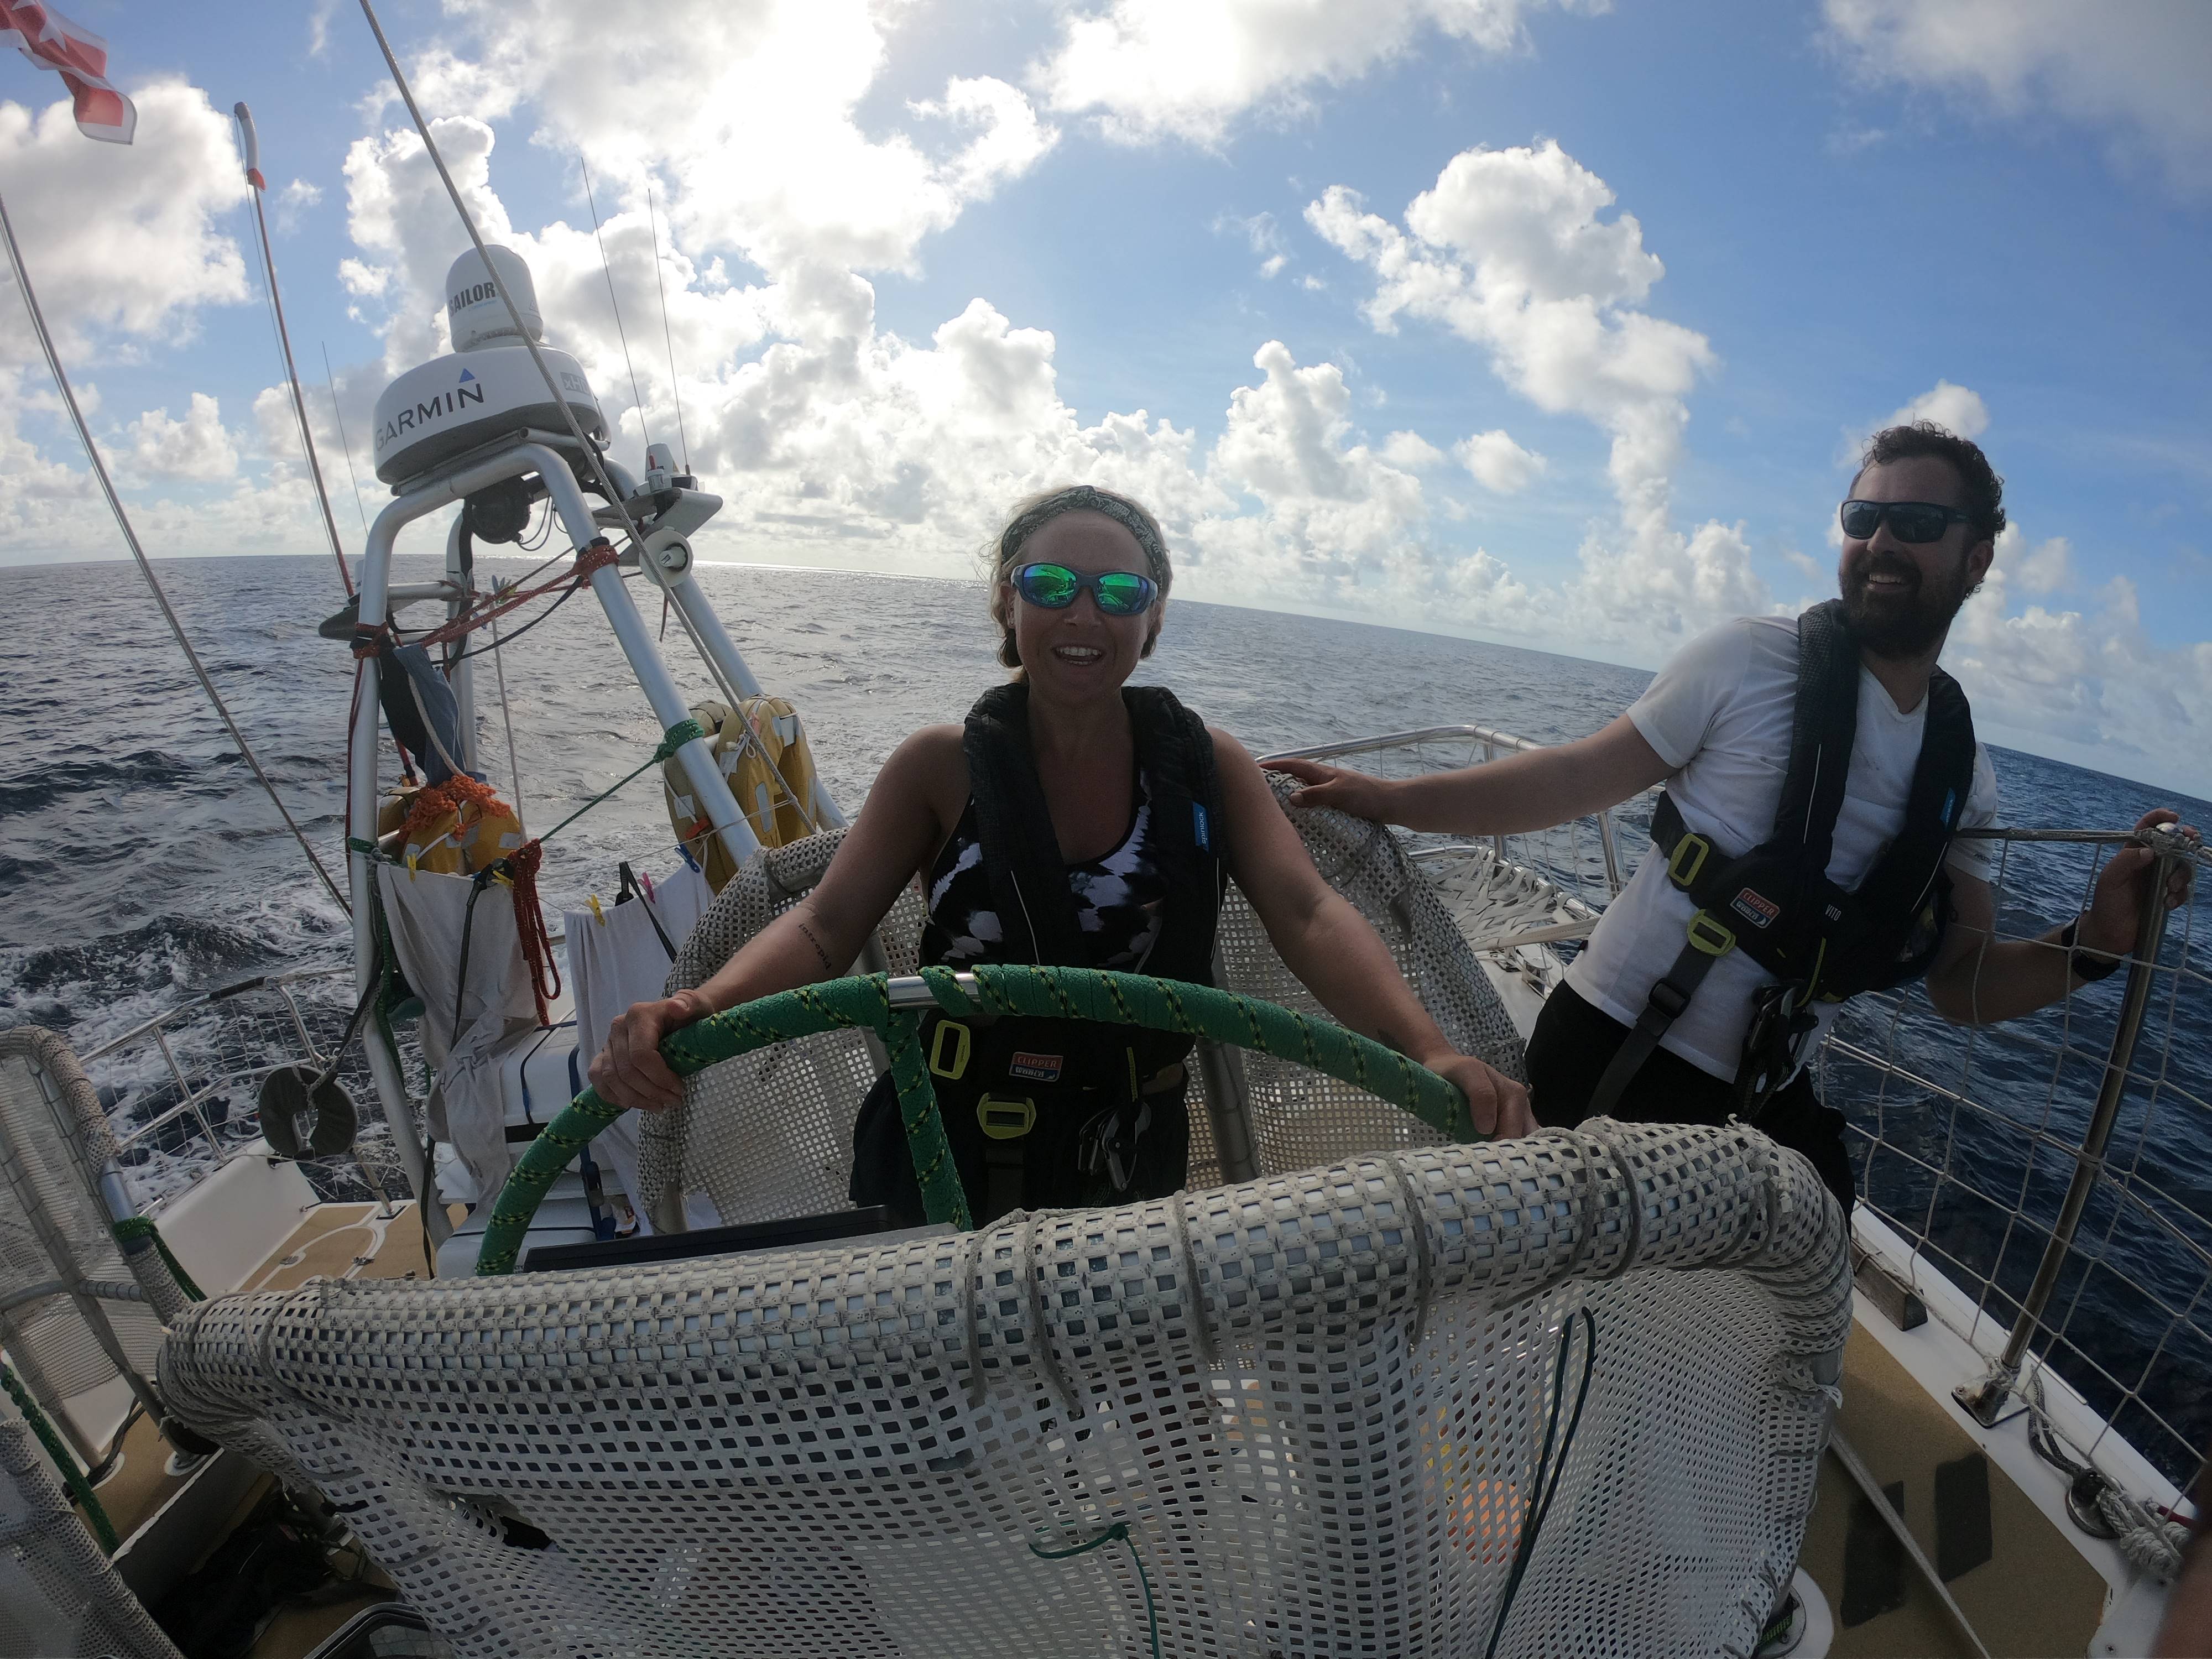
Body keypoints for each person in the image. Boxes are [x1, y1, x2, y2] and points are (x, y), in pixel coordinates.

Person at [1269, 424, 2197, 1210]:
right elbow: (1568, 781)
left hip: (1766, 1095)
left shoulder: (1965, 775)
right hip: (1617, 1050)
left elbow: (1961, 988)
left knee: (1811, 1251)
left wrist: (2096, 944)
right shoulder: (1747, 663)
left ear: (1977, 557)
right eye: (1862, 518)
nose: (1879, 542)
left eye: (1914, 523)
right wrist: (1386, 799)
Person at [592, 483, 1533, 1227]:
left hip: (1130, 1150)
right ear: (1008, 600)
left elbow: (1310, 912)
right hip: (943, 1142)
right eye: (1051, 587)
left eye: (1120, 593)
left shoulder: (1211, 764)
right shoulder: (940, 765)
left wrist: (1431, 1052)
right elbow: (825, 924)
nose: (1084, 615)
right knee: (944, 1427)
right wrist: (700, 1004)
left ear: (1152, 621)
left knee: (1155, 1409)